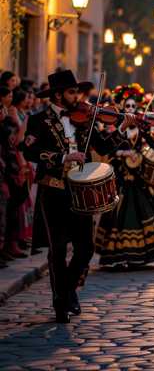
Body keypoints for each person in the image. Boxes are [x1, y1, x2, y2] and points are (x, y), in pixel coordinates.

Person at [22, 70, 134, 323]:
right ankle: (60, 303)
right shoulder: (38, 120)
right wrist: (63, 158)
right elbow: (29, 150)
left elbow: (105, 145)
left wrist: (123, 130)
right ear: (58, 95)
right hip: (53, 190)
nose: (79, 97)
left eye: (78, 92)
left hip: (80, 192)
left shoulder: (85, 119)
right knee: (58, 248)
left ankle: (67, 290)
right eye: (72, 92)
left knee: (86, 248)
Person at [95, 85, 154, 269]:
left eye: (133, 107)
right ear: (123, 108)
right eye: (128, 107)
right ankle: (118, 256)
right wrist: (124, 153)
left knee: (142, 211)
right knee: (119, 214)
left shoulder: (141, 128)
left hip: (138, 177)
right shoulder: (116, 128)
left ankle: (138, 255)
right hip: (121, 176)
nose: (131, 110)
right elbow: (109, 151)